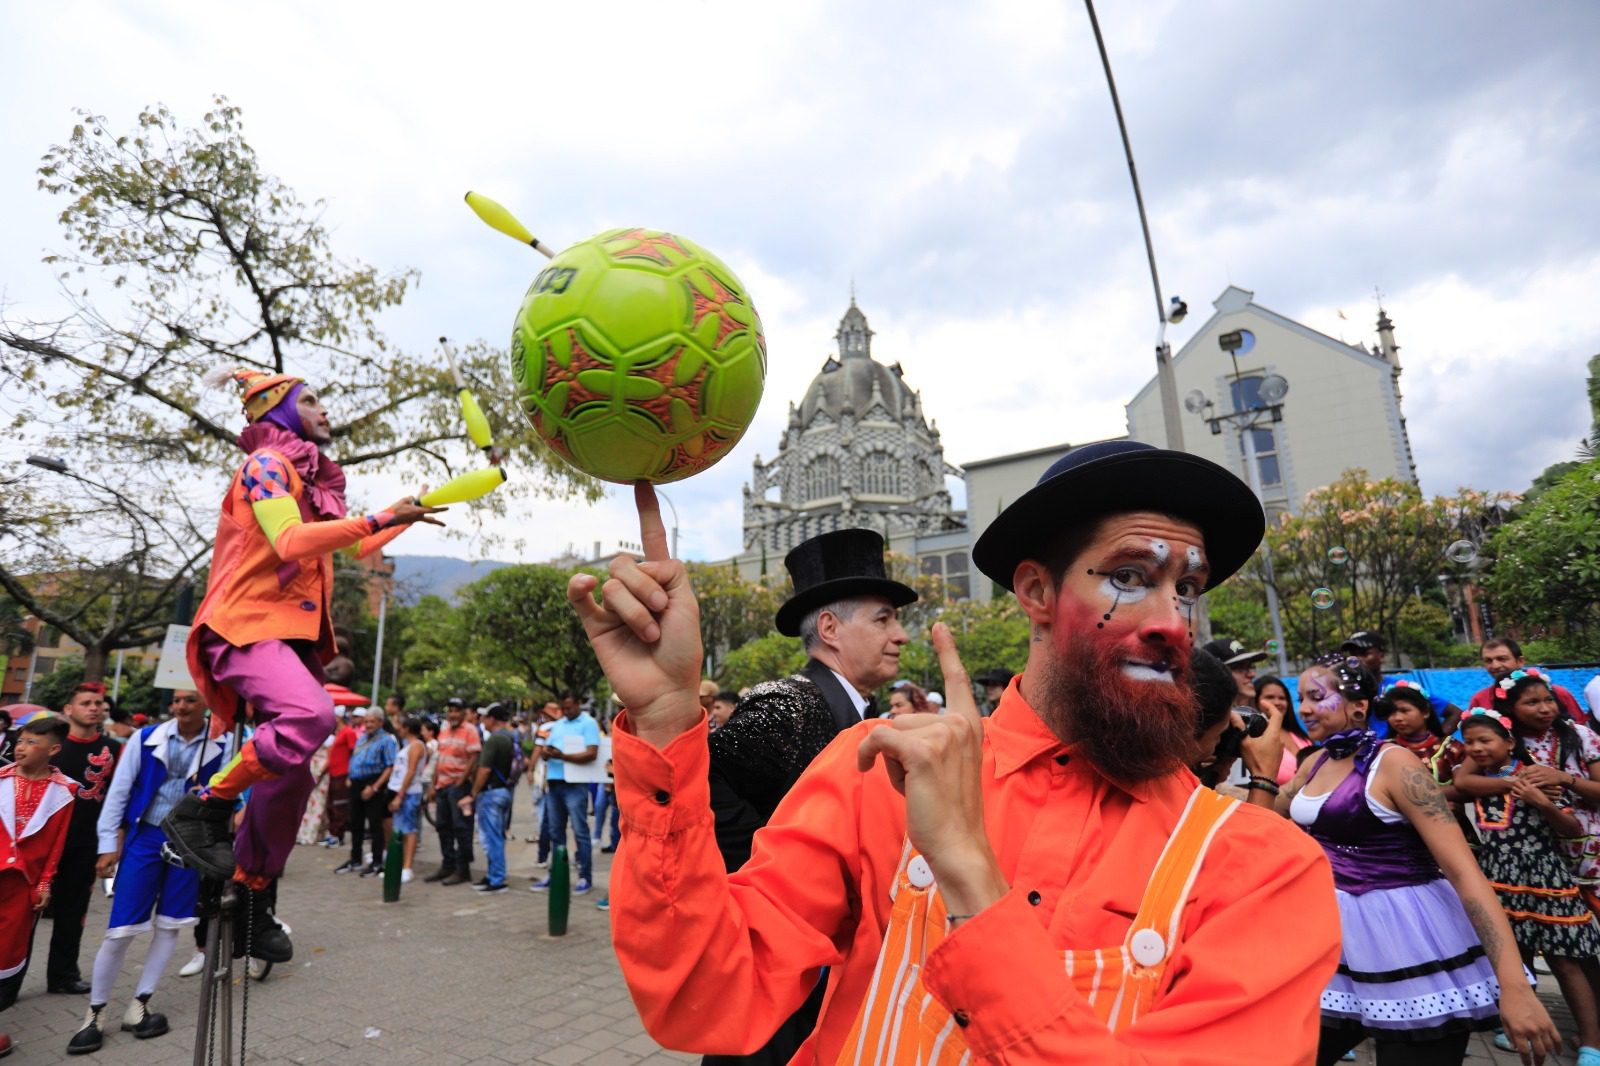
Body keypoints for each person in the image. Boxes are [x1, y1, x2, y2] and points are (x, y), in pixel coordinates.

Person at [573, 441, 1349, 1062]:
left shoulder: (1261, 869)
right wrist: (666, 722)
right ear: (1037, 594)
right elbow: (705, 1000)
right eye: (1129, 576)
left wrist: (972, 880)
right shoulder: (873, 768)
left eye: (1186, 588)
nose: (1173, 621)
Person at [159, 367, 443, 959]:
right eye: (311, 400)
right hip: (243, 629)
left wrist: (392, 517)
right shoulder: (265, 468)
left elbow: (354, 545)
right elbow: (289, 543)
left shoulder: (311, 485)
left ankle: (252, 899)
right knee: (311, 717)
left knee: (290, 776)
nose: (325, 410)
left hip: (286, 639)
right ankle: (203, 806)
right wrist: (371, 519)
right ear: (276, 411)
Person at [1278, 654, 1557, 1064]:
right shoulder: (1316, 763)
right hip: (1334, 943)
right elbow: (1265, 819)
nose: (1302, 709)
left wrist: (1514, 986)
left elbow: (1465, 874)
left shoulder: (1396, 764)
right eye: (1299, 698)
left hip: (1408, 940)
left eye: (1316, 697)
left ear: (1359, 707)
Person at [68, 689, 235, 1054]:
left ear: (205, 703)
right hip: (144, 839)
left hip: (190, 844)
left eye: (190, 700)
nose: (180, 707)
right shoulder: (146, 739)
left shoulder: (225, 745)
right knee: (120, 928)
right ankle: (94, 1014)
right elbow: (119, 792)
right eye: (175, 700)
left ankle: (140, 1003)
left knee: (171, 925)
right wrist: (108, 844)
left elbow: (239, 794)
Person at [1456, 705, 1600, 1064]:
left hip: (1543, 875)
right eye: (1469, 742)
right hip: (1497, 876)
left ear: (1508, 741)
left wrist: (1540, 802)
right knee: (1513, 956)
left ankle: (1591, 1043)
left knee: (1566, 961)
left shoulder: (1538, 776)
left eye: (1484, 740)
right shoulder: (1485, 780)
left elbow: (1572, 828)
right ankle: (1518, 1028)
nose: (1475, 748)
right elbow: (1459, 784)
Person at [1454, 667, 1600, 916]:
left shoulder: (1581, 735)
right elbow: (1464, 782)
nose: (1545, 709)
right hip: (1541, 859)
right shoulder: (1500, 740)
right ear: (1509, 707)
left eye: (1548, 699)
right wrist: (1517, 785)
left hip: (1591, 847)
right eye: (1532, 702)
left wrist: (1564, 778)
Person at [0, 716, 78, 1061]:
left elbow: (56, 844)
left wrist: (45, 882)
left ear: (54, 749)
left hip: (23, 883)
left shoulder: (64, 792)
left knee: (5, 953)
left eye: (32, 742)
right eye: (19, 740)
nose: (21, 747)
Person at [47, 682, 118, 996]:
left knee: (72, 913)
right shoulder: (50, 745)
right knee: (22, 915)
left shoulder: (114, 750)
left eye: (98, 703)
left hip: (85, 843)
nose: (94, 708)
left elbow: (120, 799)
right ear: (68, 709)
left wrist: (112, 846)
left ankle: (63, 976)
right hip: (42, 842)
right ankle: (8, 979)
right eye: (86, 702)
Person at [531, 693, 600, 895]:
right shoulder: (558, 725)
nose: (566, 711)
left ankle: (585, 877)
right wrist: (547, 753)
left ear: (578, 704)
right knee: (555, 832)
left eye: (569, 707)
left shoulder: (588, 723)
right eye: (564, 708)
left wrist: (563, 756)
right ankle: (556, 875)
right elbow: (545, 749)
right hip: (554, 783)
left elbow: (591, 753)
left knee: (580, 831)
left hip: (575, 784)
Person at [459, 703, 515, 893]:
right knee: (497, 837)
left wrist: (473, 793)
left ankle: (496, 879)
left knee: (492, 839)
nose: (483, 721)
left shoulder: (495, 740)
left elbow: (484, 770)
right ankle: (494, 874)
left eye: (485, 718)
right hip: (505, 791)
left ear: (492, 719)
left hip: (491, 793)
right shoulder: (510, 737)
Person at [426, 698, 480, 886]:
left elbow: (474, 759)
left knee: (461, 828)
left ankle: (462, 869)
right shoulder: (444, 729)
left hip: (458, 787)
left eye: (457, 710)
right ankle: (447, 865)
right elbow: (438, 758)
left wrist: (461, 781)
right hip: (442, 785)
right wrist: (433, 785)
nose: (453, 714)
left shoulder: (471, 731)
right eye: (450, 710)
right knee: (442, 826)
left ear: (464, 713)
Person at [337, 708, 397, 877]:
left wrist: (375, 787)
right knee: (355, 823)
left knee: (375, 825)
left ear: (380, 722)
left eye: (372, 721)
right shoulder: (362, 738)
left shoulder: (387, 740)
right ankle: (355, 859)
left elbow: (390, 766)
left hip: (373, 783)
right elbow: (355, 757)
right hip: (356, 782)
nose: (368, 725)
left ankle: (377, 862)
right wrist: (350, 776)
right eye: (367, 721)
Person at [1470, 639, 1587, 724]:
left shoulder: (1557, 693)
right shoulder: (1480, 700)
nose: (1495, 665)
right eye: (1488, 661)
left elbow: (1580, 727)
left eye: (1502, 659)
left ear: (1520, 661)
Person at [387, 715, 426, 884]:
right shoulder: (407, 746)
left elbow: (411, 771)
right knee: (399, 830)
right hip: (401, 790)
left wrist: (400, 795)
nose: (399, 730)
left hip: (409, 793)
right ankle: (399, 865)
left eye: (401, 727)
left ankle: (407, 867)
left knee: (409, 829)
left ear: (407, 729)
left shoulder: (416, 746)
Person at [1254, 674, 1310, 784]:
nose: (1277, 702)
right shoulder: (1254, 739)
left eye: (1282, 698)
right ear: (1255, 701)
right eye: (1269, 697)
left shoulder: (1298, 733)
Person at [324, 710, 358, 849]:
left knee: (339, 806)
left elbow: (353, 753)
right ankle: (333, 834)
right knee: (331, 805)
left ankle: (338, 835)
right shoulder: (339, 733)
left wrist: (350, 774)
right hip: (334, 773)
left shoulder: (348, 732)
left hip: (343, 773)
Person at [1199, 636, 1268, 703]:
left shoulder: (1256, 712)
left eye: (1251, 666)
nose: (1252, 674)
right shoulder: (1201, 714)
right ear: (1214, 674)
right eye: (1239, 667)